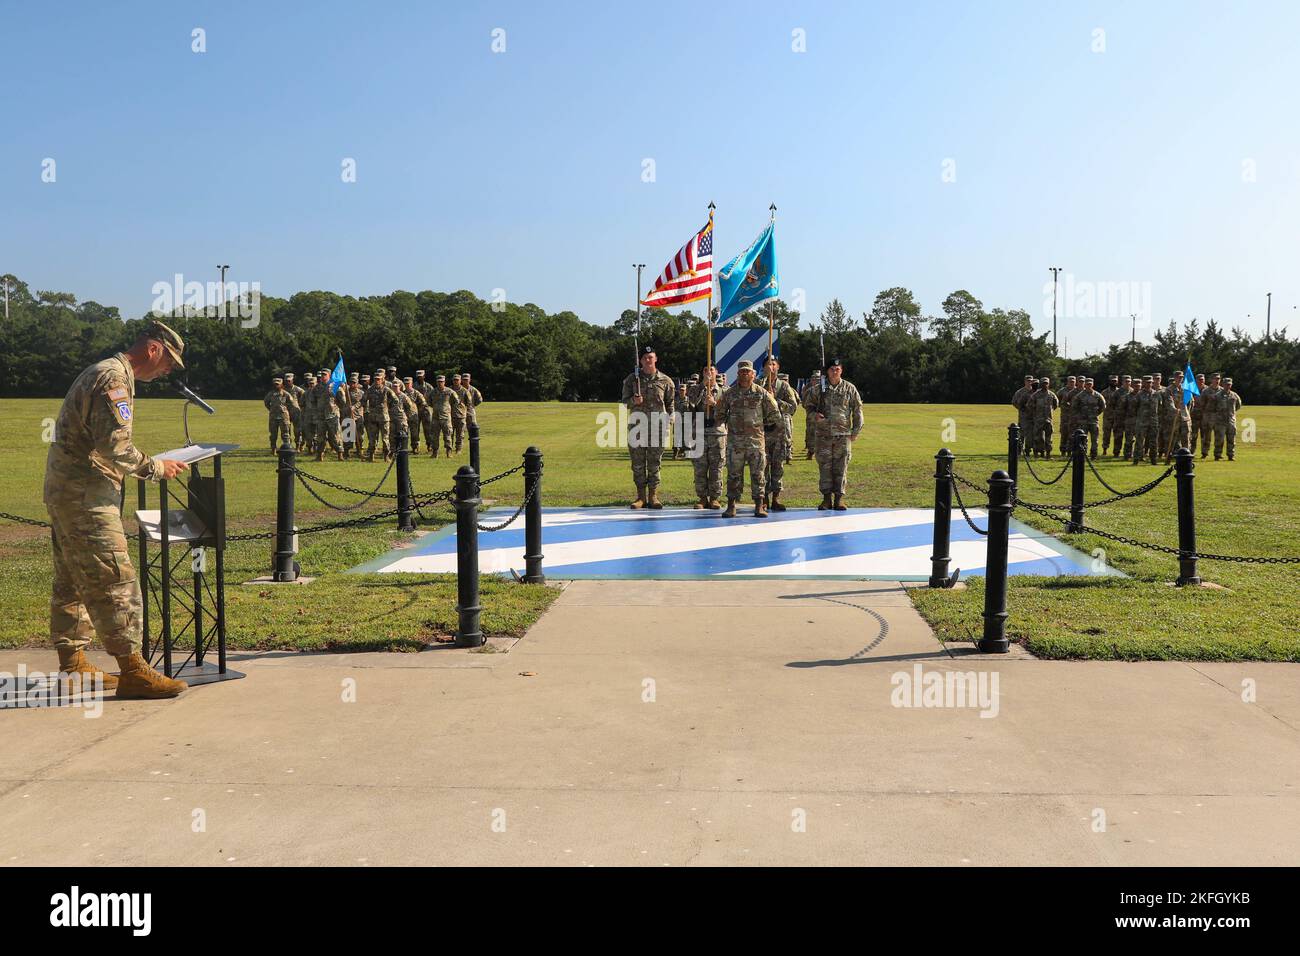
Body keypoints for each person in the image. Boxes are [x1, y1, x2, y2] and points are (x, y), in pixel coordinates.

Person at [44, 320, 191, 699]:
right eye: (169, 362)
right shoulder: (114, 379)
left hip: (68, 493)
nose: (168, 371)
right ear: (154, 349)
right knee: (115, 576)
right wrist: (157, 467)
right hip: (86, 498)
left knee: (72, 579)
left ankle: (73, 664)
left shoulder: (106, 372)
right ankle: (134, 671)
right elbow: (115, 447)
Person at [715, 359, 782, 517]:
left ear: (753, 374)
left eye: (748, 371)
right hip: (735, 443)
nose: (745, 374)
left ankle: (759, 505)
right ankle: (731, 505)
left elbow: (775, 414)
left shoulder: (761, 393)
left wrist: (763, 425)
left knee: (758, 474)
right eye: (742, 371)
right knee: (733, 474)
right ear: (738, 374)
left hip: (756, 442)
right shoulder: (729, 394)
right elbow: (719, 415)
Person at [803, 357, 863, 510]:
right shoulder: (818, 389)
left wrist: (856, 431)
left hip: (843, 436)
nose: (835, 371)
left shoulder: (849, 388)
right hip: (823, 435)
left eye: (837, 369)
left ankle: (839, 499)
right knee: (825, 467)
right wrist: (814, 416)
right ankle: (826, 499)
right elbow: (807, 406)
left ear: (841, 370)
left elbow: (857, 410)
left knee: (841, 467)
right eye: (832, 369)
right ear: (827, 371)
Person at [620, 346, 675, 509]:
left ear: (656, 359)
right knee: (637, 463)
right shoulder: (632, 379)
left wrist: (671, 417)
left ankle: (653, 496)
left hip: (658, 428)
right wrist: (633, 402)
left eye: (651, 357)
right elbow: (624, 402)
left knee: (654, 463)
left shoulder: (665, 380)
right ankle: (640, 497)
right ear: (640, 361)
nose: (648, 360)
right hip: (637, 427)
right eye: (645, 358)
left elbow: (670, 402)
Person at [677, 365, 726, 509]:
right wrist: (703, 388)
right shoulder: (694, 389)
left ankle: (715, 498)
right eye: (705, 370)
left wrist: (714, 404)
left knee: (716, 467)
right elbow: (690, 406)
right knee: (700, 467)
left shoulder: (724, 391)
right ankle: (702, 497)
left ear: (716, 372)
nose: (708, 372)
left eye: (711, 369)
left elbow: (728, 411)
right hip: (698, 431)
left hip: (717, 432)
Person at [757, 355, 799, 511]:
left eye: (773, 364)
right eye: (768, 364)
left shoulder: (784, 387)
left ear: (778, 367)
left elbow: (793, 407)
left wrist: (776, 401)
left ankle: (776, 497)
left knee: (777, 466)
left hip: (779, 432)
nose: (771, 367)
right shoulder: (758, 385)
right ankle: (763, 498)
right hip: (761, 432)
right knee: (762, 466)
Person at [1072, 378, 1106, 459]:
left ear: (1093, 384)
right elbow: (1074, 407)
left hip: (1094, 421)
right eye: (1087, 384)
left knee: (1095, 439)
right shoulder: (1079, 396)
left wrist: (1096, 413)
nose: (1089, 385)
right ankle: (1083, 454)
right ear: (1085, 385)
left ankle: (1094, 454)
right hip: (1083, 421)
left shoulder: (1097, 395)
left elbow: (1103, 406)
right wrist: (1079, 416)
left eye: (1090, 384)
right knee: (1083, 439)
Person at [429, 374, 461, 457]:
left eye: (442, 382)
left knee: (447, 435)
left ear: (444, 382)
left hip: (446, 417)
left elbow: (456, 401)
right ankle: (435, 452)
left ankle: (448, 452)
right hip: (435, 417)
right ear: (436, 382)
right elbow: (428, 401)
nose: (440, 383)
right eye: (439, 382)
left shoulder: (450, 391)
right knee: (434, 436)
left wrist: (447, 408)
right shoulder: (433, 392)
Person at [363, 368, 391, 461]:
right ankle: (371, 456)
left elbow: (395, 400)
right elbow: (363, 400)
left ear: (382, 380)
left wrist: (388, 407)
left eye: (378, 379)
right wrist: (354, 407)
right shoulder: (370, 390)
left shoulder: (386, 390)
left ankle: (386, 456)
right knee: (372, 439)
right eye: (375, 379)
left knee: (385, 438)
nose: (377, 381)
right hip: (373, 418)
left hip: (383, 418)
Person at [1131, 376, 1160, 465]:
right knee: (1139, 441)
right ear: (1143, 383)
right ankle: (1136, 459)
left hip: (1153, 422)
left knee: (1153, 442)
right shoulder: (1139, 395)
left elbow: (1160, 408)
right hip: (1142, 422)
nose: (1149, 384)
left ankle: (1153, 460)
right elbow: (1134, 408)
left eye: (1150, 382)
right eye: (1147, 382)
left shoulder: (1157, 394)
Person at [264, 376, 297, 452]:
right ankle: (273, 449)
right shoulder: (270, 394)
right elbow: (266, 402)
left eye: (278, 384)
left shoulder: (286, 394)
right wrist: (271, 409)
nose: (276, 386)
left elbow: (292, 403)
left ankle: (287, 448)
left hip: (284, 417)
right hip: (273, 417)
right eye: (275, 384)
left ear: (281, 384)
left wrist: (286, 411)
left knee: (285, 434)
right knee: (273, 434)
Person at [1029, 375, 1058, 457]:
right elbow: (1030, 405)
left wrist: (1050, 412)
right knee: (1037, 437)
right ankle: (1036, 453)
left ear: (1048, 384)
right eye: (1043, 383)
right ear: (1040, 384)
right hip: (1038, 420)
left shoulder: (1052, 395)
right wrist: (1036, 413)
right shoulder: (1035, 395)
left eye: (1046, 383)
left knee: (1049, 438)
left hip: (1048, 420)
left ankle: (1048, 454)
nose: (1045, 385)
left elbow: (1056, 405)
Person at [1011, 375, 1035, 454]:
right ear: (1025, 381)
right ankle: (1019, 450)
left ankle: (1028, 450)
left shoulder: (1035, 391)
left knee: (1030, 434)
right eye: (1028, 381)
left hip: (1033, 417)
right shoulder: (1020, 392)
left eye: (1031, 381)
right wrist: (1021, 409)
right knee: (1021, 433)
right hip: (1023, 417)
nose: (1029, 382)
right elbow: (1014, 402)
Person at [1100, 375, 1121, 456]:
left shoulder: (1120, 392)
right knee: (1106, 434)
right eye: (1112, 381)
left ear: (1117, 381)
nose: (1114, 382)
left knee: (1117, 435)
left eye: (1115, 381)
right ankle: (1105, 449)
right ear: (1109, 381)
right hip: (1107, 417)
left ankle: (1116, 451)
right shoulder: (1104, 392)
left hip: (1118, 417)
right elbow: (1101, 404)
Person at [450, 373, 468, 454]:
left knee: (460, 434)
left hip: (461, 416)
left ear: (460, 381)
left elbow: (469, 403)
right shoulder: (449, 390)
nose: (456, 381)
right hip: (450, 415)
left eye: (457, 380)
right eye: (454, 380)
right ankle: (449, 449)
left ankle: (458, 449)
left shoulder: (464, 391)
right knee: (449, 433)